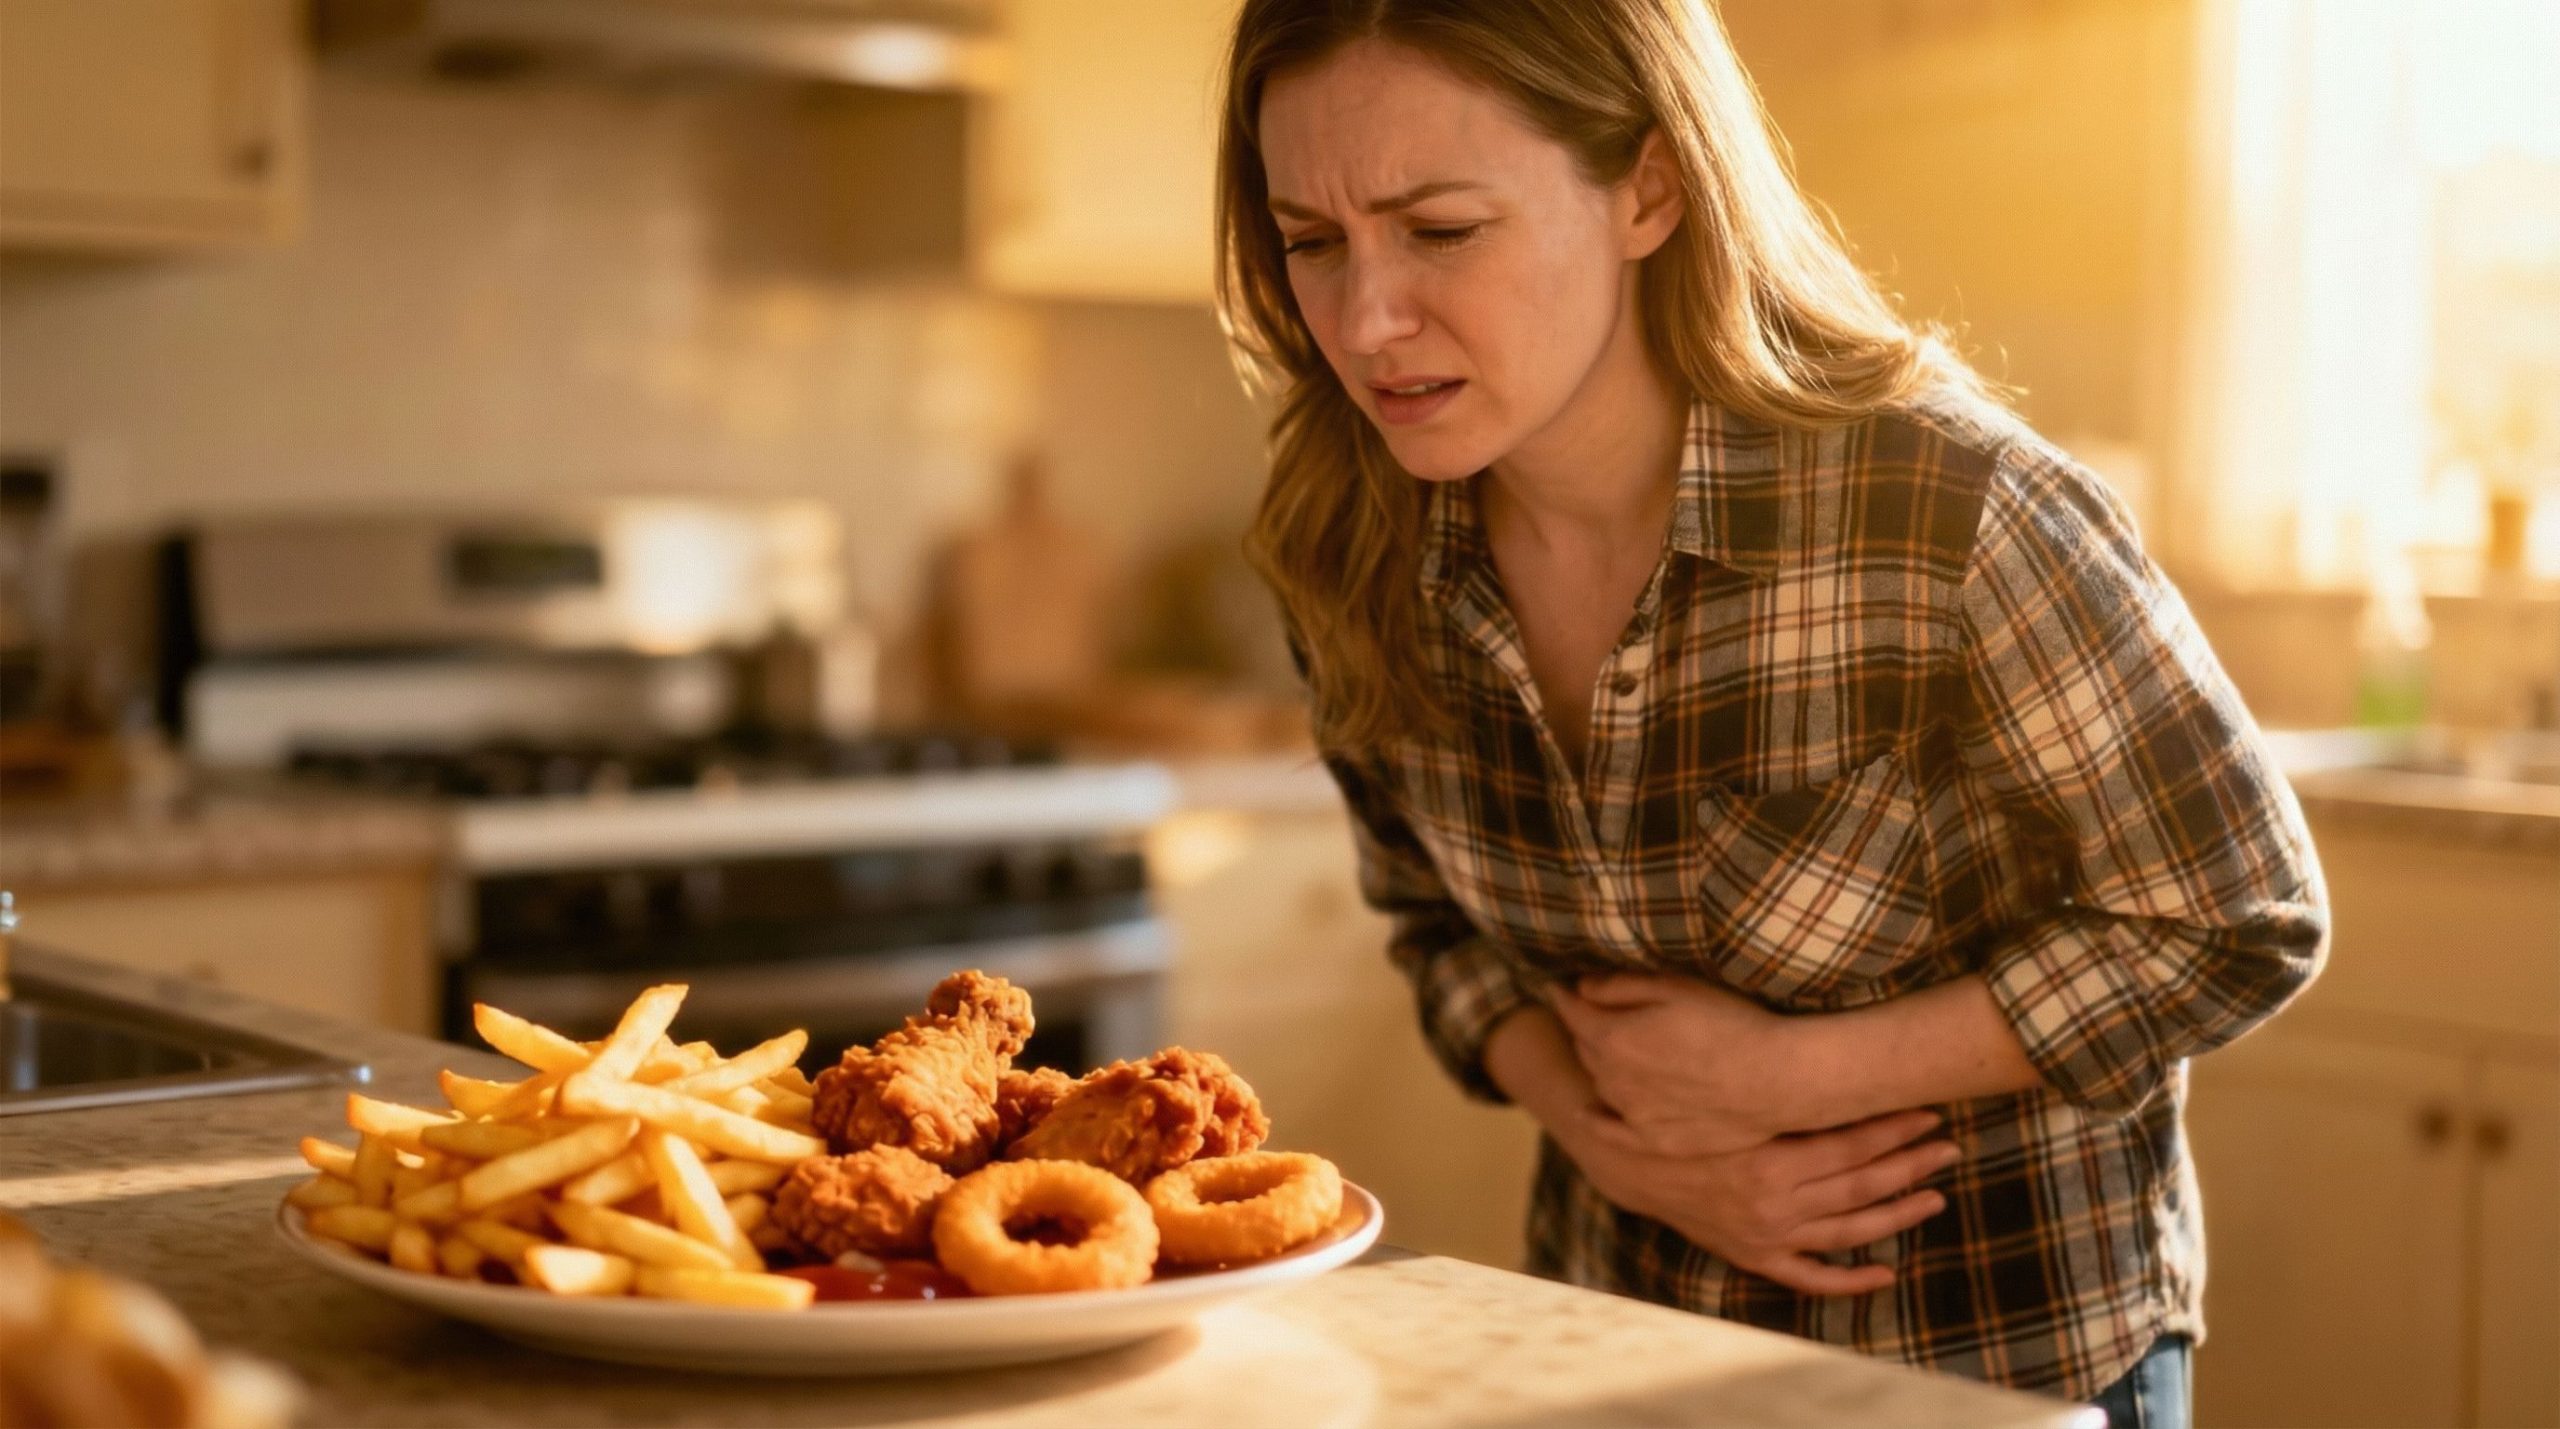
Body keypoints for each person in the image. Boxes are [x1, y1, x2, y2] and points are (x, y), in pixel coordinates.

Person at [1211, 3, 2328, 1425]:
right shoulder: (1347, 541)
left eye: (1439, 230)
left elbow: (2238, 915)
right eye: (1312, 239)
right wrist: (1617, 1139)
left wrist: (1788, 1075)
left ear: (1649, 189)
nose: (1367, 318)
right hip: (1602, 1346)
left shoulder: (1949, 508)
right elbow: (1436, 930)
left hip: (1999, 1373)